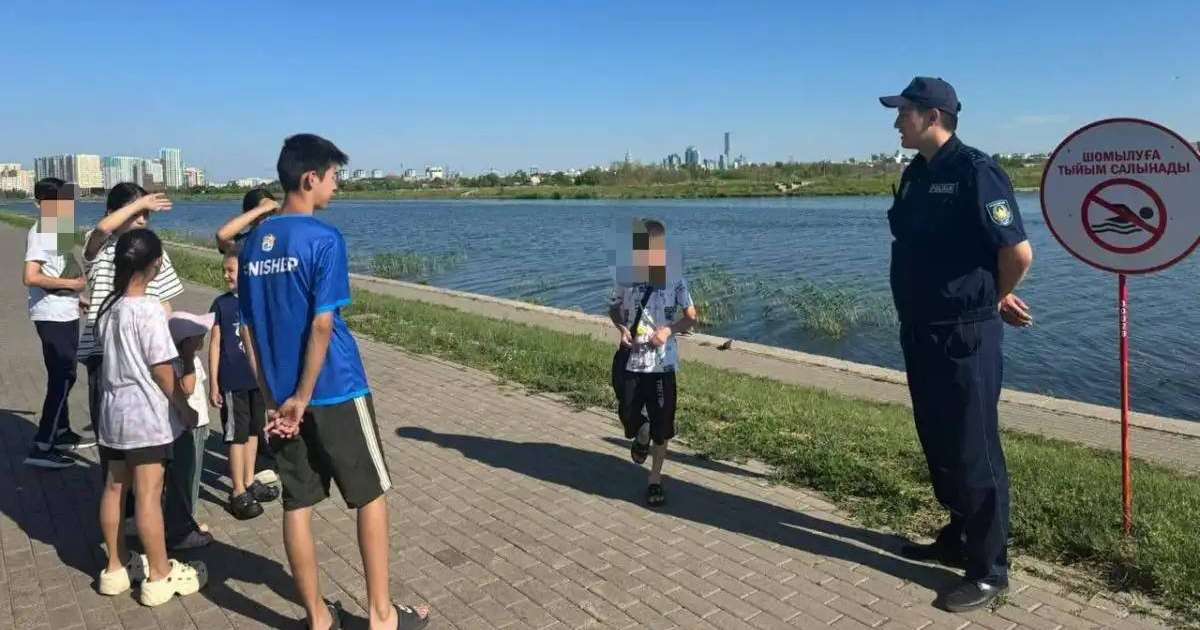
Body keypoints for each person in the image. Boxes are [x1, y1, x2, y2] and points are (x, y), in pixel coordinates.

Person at [238, 134, 429, 630]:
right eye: (333, 177)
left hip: (281, 398)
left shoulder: (254, 242)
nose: (337, 187)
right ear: (310, 179)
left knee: (297, 503)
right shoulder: (323, 239)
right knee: (371, 495)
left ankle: (318, 620)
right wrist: (303, 396)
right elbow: (323, 323)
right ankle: (382, 616)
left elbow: (249, 330)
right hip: (335, 389)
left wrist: (274, 399)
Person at [880, 76, 1034, 612]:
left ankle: (990, 569)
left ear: (932, 116)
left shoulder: (977, 172)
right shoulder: (916, 174)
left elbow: (1017, 253)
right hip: (920, 329)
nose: (897, 121)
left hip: (964, 333)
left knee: (974, 447)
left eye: (904, 112)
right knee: (940, 441)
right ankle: (958, 535)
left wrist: (991, 298)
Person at [93, 228, 207, 607]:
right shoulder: (149, 311)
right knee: (148, 494)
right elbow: (162, 371)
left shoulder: (109, 310)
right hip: (144, 417)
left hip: (112, 414)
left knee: (113, 487)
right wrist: (184, 406)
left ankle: (114, 566)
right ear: (156, 264)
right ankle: (159, 573)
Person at [608, 218, 697, 508]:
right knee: (629, 415)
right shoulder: (625, 276)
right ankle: (640, 432)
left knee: (663, 426)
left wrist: (669, 330)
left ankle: (654, 480)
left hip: (662, 366)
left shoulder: (675, 279)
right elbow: (614, 309)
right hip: (631, 361)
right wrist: (622, 329)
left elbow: (691, 316)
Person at [22, 178, 94, 468]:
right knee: (62, 376)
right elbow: (31, 276)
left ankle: (61, 432)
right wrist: (72, 284)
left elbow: (62, 267)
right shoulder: (40, 230)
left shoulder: (58, 228)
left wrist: (77, 297)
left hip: (65, 311)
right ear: (42, 204)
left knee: (66, 374)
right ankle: (42, 446)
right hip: (51, 314)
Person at [209, 251, 279, 520]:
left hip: (256, 381)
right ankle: (237, 490)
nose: (227, 275)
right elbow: (215, 344)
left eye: (231, 270)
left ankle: (249, 480)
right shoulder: (221, 305)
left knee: (253, 431)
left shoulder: (258, 303)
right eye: (224, 270)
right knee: (235, 435)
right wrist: (214, 383)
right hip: (233, 382)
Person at [166, 312, 217, 534]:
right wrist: (187, 359)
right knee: (189, 476)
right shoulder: (181, 363)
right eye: (198, 335)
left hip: (198, 422)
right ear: (186, 342)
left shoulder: (193, 360)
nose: (203, 337)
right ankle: (187, 522)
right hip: (188, 425)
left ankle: (184, 517)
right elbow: (187, 389)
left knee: (189, 473)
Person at [215, 187, 278, 254]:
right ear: (250, 214)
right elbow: (222, 236)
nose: (268, 218)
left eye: (272, 212)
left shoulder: (283, 238)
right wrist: (263, 208)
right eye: (263, 214)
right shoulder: (240, 242)